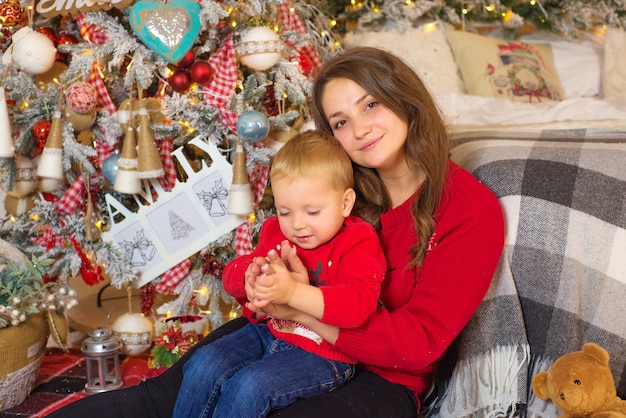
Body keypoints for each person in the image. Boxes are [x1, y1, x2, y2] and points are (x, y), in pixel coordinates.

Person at [48, 46, 504, 418]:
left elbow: (418, 344)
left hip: (380, 375)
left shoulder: (468, 212)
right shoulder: (333, 189)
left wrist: (300, 306)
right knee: (164, 396)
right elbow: (265, 263)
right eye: (341, 121)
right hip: (281, 334)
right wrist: (259, 283)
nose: (361, 129)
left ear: (403, 98)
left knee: (255, 399)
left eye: (371, 104)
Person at [172, 130, 386, 417]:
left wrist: (295, 293)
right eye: (285, 212)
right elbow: (231, 277)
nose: (297, 224)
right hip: (270, 332)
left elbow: (357, 305)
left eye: (312, 212)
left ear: (345, 203)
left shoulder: (358, 240)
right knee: (203, 363)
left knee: (249, 386)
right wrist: (250, 277)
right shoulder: (275, 231)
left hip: (324, 355)